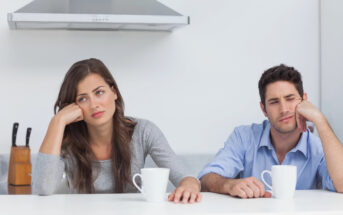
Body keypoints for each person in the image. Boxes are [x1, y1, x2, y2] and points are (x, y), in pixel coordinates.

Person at [33, 58, 201, 204]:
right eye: (82, 98)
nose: (94, 105)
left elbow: (186, 177)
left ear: (113, 92)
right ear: (73, 106)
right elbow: (42, 188)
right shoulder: (65, 138)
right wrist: (57, 121)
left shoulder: (143, 131)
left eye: (99, 92)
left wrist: (189, 186)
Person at [199, 64, 343, 198]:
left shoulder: (319, 148)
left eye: (290, 99)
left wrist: (320, 120)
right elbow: (205, 180)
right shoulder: (244, 137)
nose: (284, 109)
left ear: (304, 100)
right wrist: (229, 184)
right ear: (263, 109)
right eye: (274, 102)